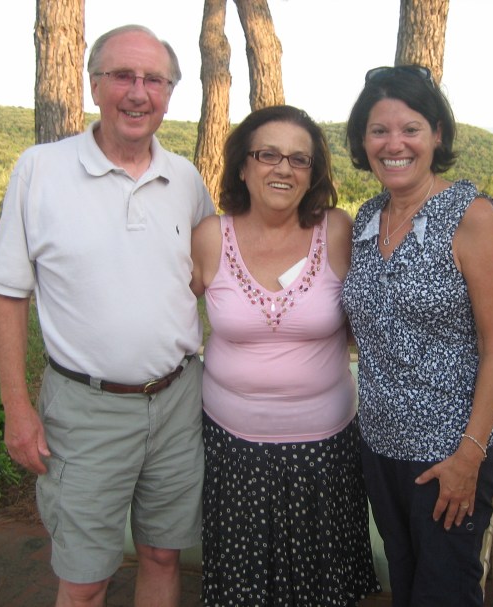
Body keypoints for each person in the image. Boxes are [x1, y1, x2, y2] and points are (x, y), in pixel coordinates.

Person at [0, 25, 214, 607]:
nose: (138, 93)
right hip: (85, 412)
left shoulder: (186, 180)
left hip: (178, 402)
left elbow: (205, 275)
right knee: (85, 580)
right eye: (122, 76)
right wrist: (17, 408)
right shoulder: (40, 170)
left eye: (154, 80)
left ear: (169, 93)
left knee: (163, 555)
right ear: (94, 85)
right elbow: (8, 295)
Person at [190, 104, 380, 606]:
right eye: (268, 155)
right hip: (233, 449)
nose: (284, 168)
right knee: (243, 586)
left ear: (313, 174)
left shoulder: (337, 231)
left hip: (325, 452)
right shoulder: (210, 237)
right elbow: (166, 320)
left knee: (321, 587)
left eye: (299, 159)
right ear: (243, 165)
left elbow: (370, 318)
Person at [341, 65, 493, 607]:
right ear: (363, 141)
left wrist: (469, 457)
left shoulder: (470, 216)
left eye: (410, 129)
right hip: (380, 447)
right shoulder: (367, 219)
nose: (394, 144)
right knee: (407, 584)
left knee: (445, 592)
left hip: (449, 452)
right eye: (378, 130)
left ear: (437, 134)